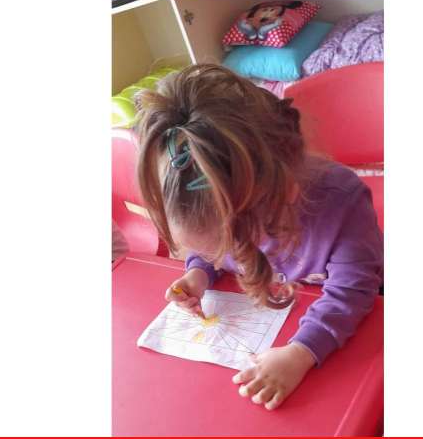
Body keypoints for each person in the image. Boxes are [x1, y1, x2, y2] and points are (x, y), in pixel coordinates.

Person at [134, 64, 382, 410]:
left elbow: (353, 293)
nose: (227, 252)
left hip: (359, 315)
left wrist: (301, 352)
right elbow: (210, 249)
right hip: (281, 314)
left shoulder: (342, 202)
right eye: (217, 247)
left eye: (234, 240)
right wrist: (198, 272)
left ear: (285, 192)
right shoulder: (233, 212)